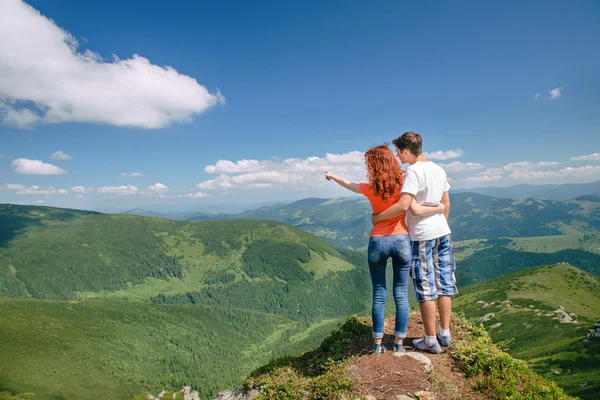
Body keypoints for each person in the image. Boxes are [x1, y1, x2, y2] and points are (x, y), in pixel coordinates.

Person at [325, 145, 444, 354]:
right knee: (400, 293)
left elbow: (348, 184)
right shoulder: (404, 182)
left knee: (379, 293)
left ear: (372, 166)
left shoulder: (371, 188)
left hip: (378, 241)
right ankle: (398, 344)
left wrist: (332, 176)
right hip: (401, 241)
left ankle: (377, 344)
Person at [372, 132, 456, 354]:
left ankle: (430, 340)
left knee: (426, 287)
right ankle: (445, 333)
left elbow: (404, 205)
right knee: (444, 281)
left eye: (399, 152)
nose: (398, 156)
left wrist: (378, 217)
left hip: (422, 235)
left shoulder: (413, 172)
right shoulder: (439, 169)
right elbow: (446, 204)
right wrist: (438, 220)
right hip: (443, 232)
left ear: (407, 150)